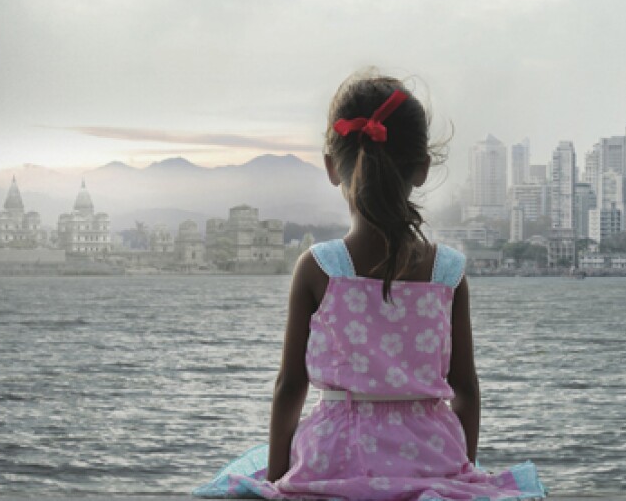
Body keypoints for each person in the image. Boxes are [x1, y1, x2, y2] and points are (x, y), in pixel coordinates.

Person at [194, 72, 545, 500]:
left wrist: (278, 480)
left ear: (330, 167)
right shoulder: (448, 272)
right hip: (432, 457)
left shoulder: (318, 267)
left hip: (333, 457)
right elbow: (466, 389)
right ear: (421, 169)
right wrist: (460, 473)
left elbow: (291, 385)